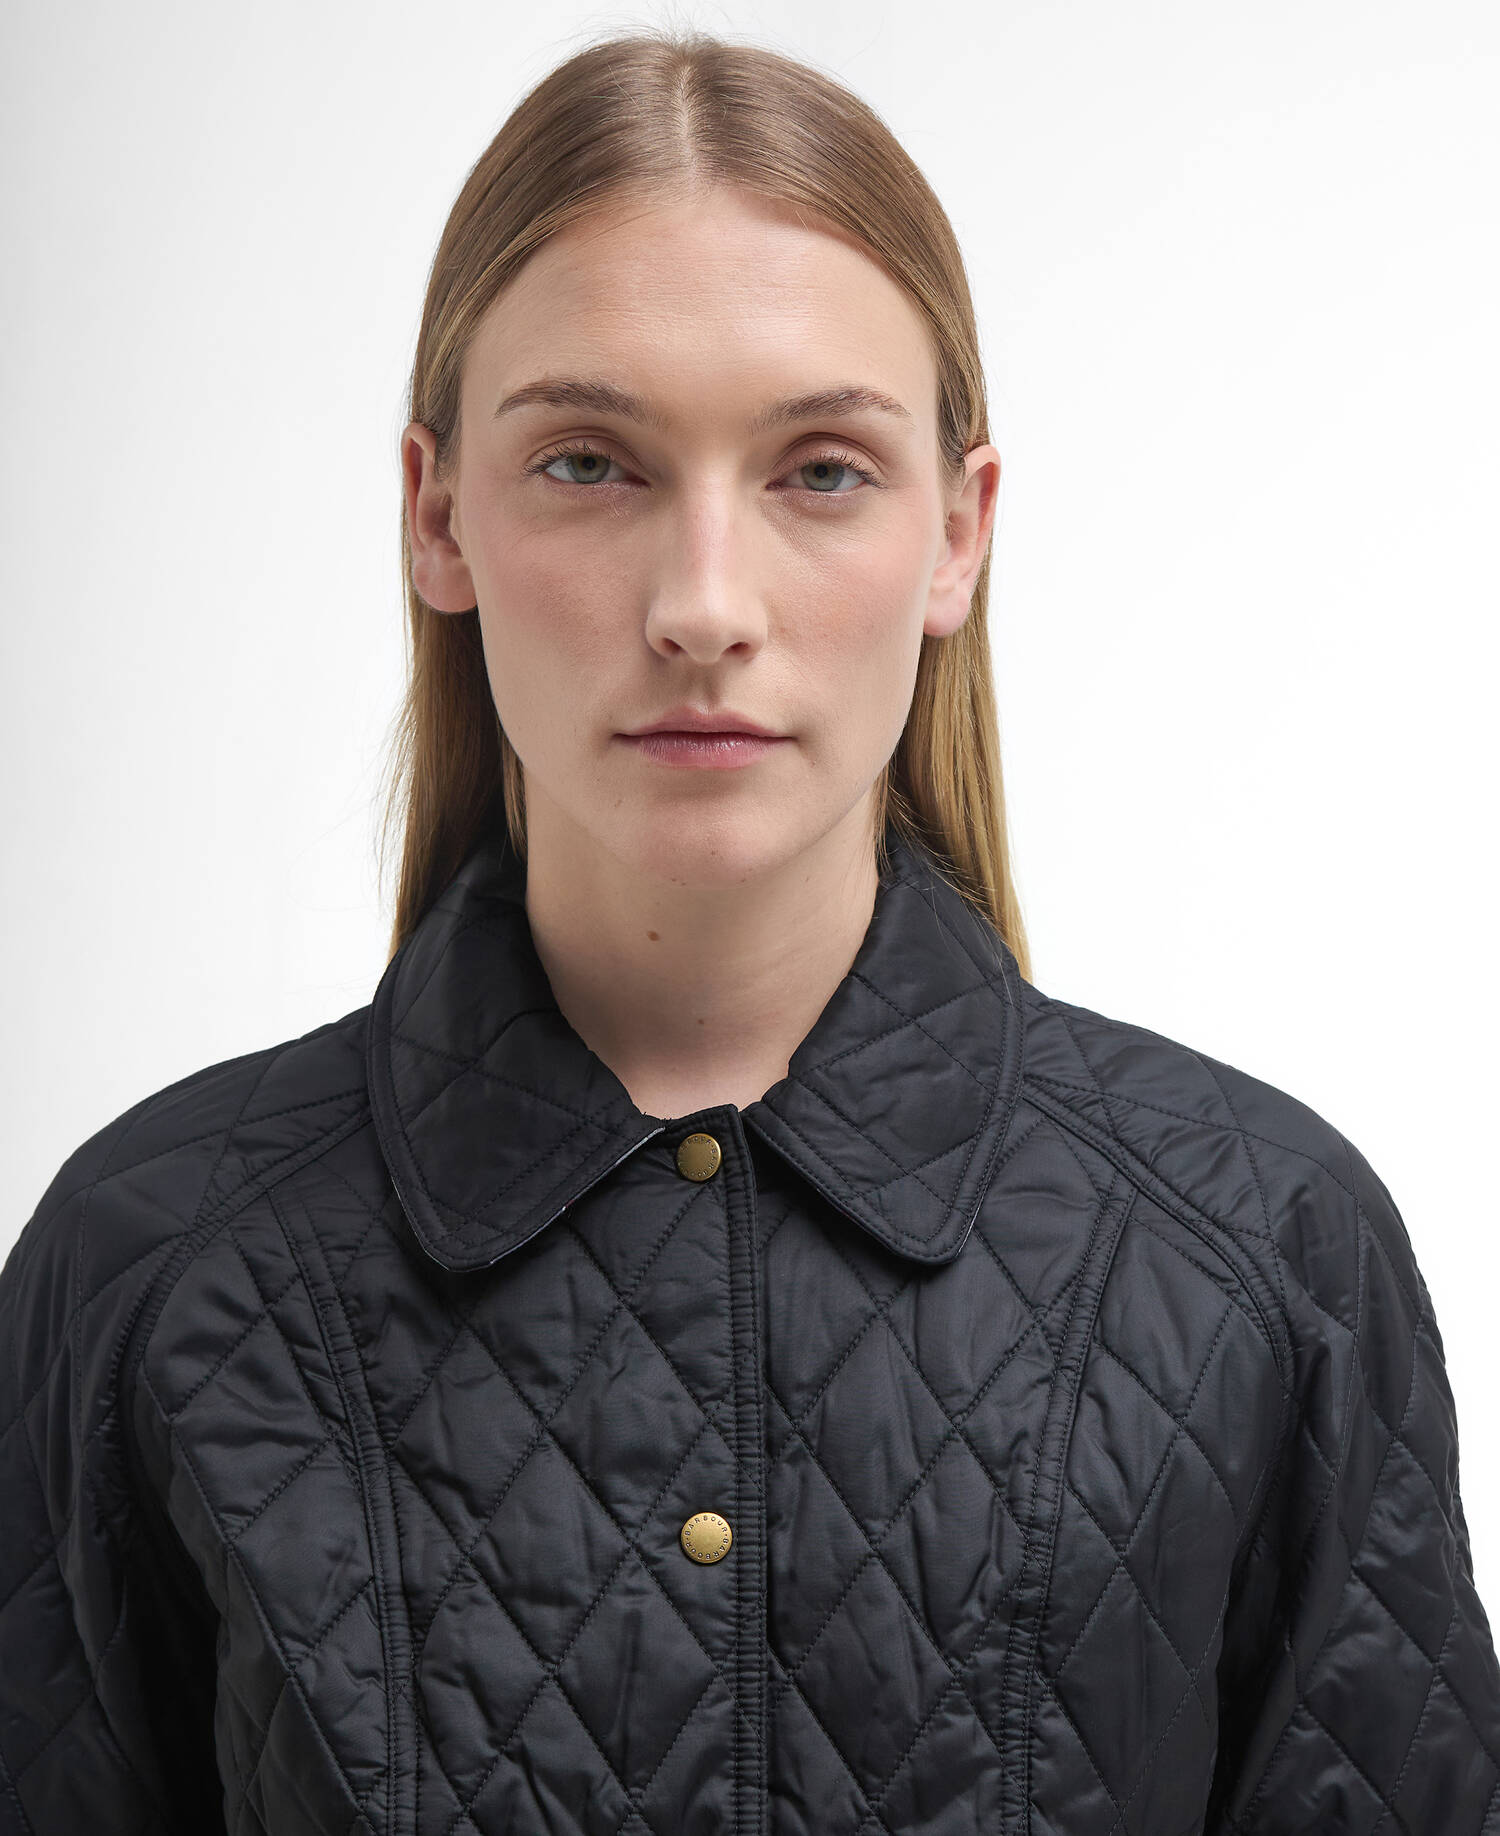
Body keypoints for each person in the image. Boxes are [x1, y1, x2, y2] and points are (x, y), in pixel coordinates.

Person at [2, 25, 1497, 1836]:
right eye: (589, 463)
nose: (704, 605)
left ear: (960, 533)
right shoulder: (149, 1269)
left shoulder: (1271, 1257)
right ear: (436, 514)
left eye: (820, 471)